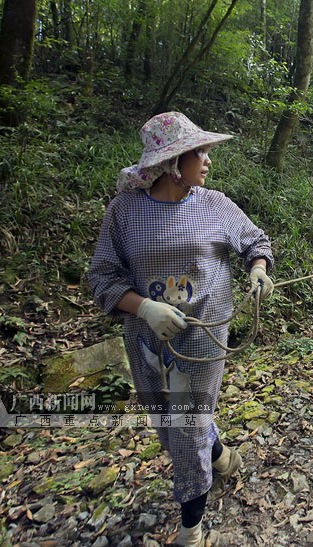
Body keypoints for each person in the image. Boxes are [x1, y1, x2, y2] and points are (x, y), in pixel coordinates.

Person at [87, 112, 274, 546]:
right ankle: (221, 456)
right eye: (199, 152)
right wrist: (145, 307)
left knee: (187, 422)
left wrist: (259, 269)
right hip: (146, 338)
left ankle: (191, 529)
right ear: (173, 162)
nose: (208, 160)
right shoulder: (125, 211)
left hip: (203, 336)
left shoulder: (215, 204)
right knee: (169, 422)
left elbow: (254, 241)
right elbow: (102, 276)